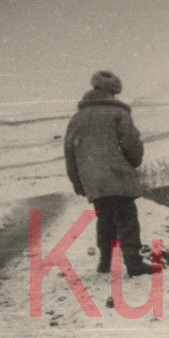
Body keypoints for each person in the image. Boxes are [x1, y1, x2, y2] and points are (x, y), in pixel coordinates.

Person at [64, 70, 156, 276]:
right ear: (112, 92)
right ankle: (133, 263)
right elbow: (132, 145)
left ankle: (105, 262)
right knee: (127, 217)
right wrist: (134, 160)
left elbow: (70, 154)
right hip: (117, 175)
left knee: (104, 217)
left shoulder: (77, 118)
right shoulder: (118, 113)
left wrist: (78, 182)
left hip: (93, 180)